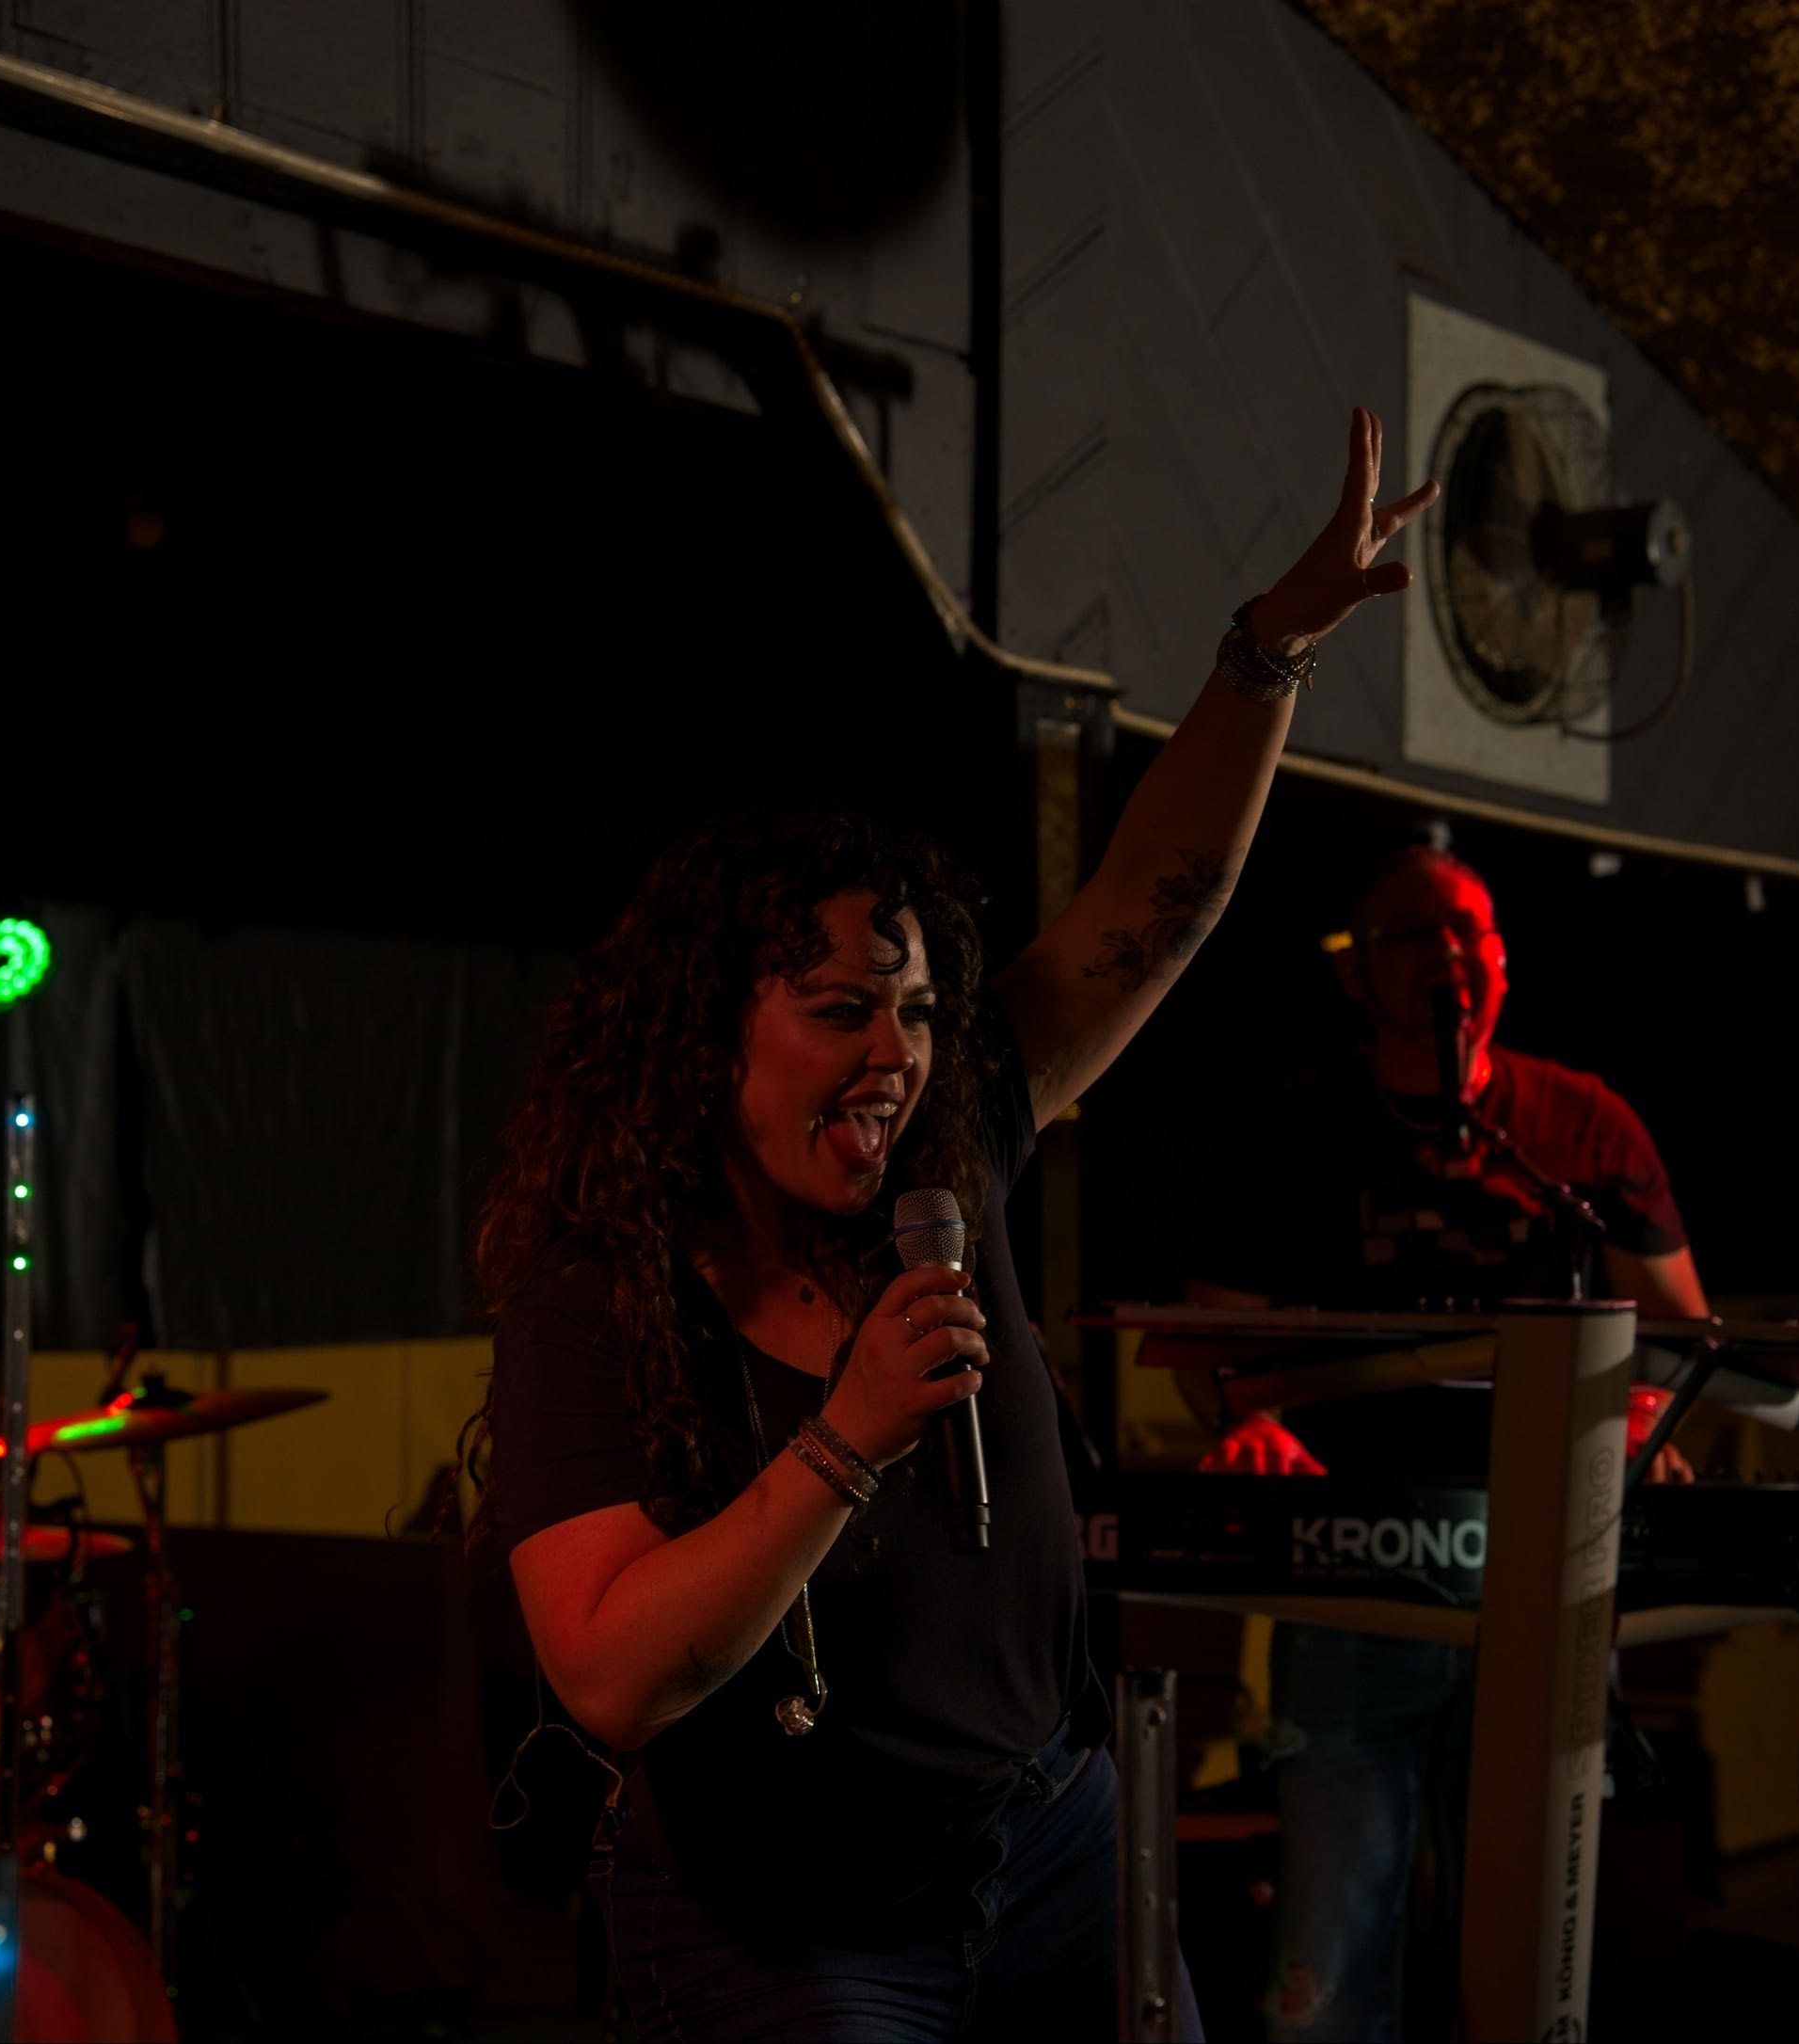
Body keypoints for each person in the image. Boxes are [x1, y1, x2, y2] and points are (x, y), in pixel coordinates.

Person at [470, 409, 1439, 2041]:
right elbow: (611, 1675)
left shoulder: (946, 1160)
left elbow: (1159, 909)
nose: (897, 1056)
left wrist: (1269, 649)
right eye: (840, 1009)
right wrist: (845, 1437)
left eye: (916, 1009)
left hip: (1054, 1844)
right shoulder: (595, 1298)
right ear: (704, 1035)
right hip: (789, 1927)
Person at [1191, 846, 1704, 2043]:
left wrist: (1640, 1415)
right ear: (1353, 973)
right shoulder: (1293, 1130)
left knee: (1539, 1954)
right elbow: (1212, 1349)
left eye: (1466, 931)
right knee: (1328, 1966)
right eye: (1409, 934)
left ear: (1503, 964)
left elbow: (1683, 1337)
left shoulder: (1580, 1124)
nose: (1444, 956)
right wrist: (1250, 1424)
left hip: (1547, 1568)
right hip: (1356, 1578)